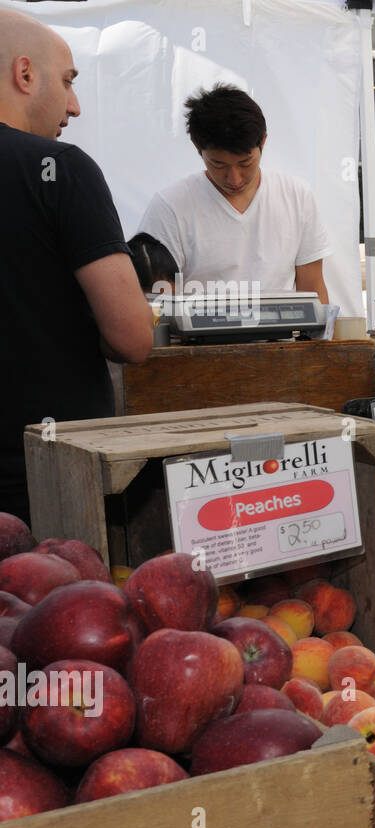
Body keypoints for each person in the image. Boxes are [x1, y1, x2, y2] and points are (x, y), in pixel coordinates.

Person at [0, 10, 154, 523]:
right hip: (48, 485)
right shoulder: (62, 170)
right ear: (25, 74)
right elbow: (133, 337)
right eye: (67, 82)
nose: (75, 106)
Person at [136, 84, 331, 303]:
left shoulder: (296, 196)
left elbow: (313, 289)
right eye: (218, 164)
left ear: (263, 142)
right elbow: (154, 303)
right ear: (196, 148)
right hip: (198, 336)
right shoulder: (170, 207)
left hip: (280, 335)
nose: (234, 178)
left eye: (245, 163)